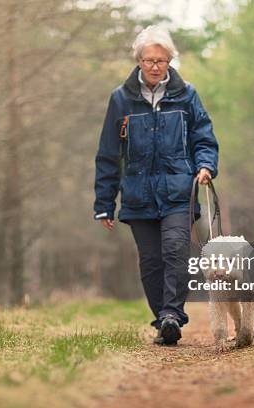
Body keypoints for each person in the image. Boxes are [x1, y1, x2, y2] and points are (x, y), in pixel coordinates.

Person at [93, 25, 218, 345]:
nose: (154, 66)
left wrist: (205, 165)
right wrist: (104, 203)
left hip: (179, 191)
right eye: (148, 60)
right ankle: (163, 318)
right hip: (137, 194)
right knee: (150, 260)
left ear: (169, 62)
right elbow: (109, 154)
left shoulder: (186, 94)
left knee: (176, 250)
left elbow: (203, 136)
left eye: (161, 61)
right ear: (138, 61)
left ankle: (172, 314)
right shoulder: (121, 99)